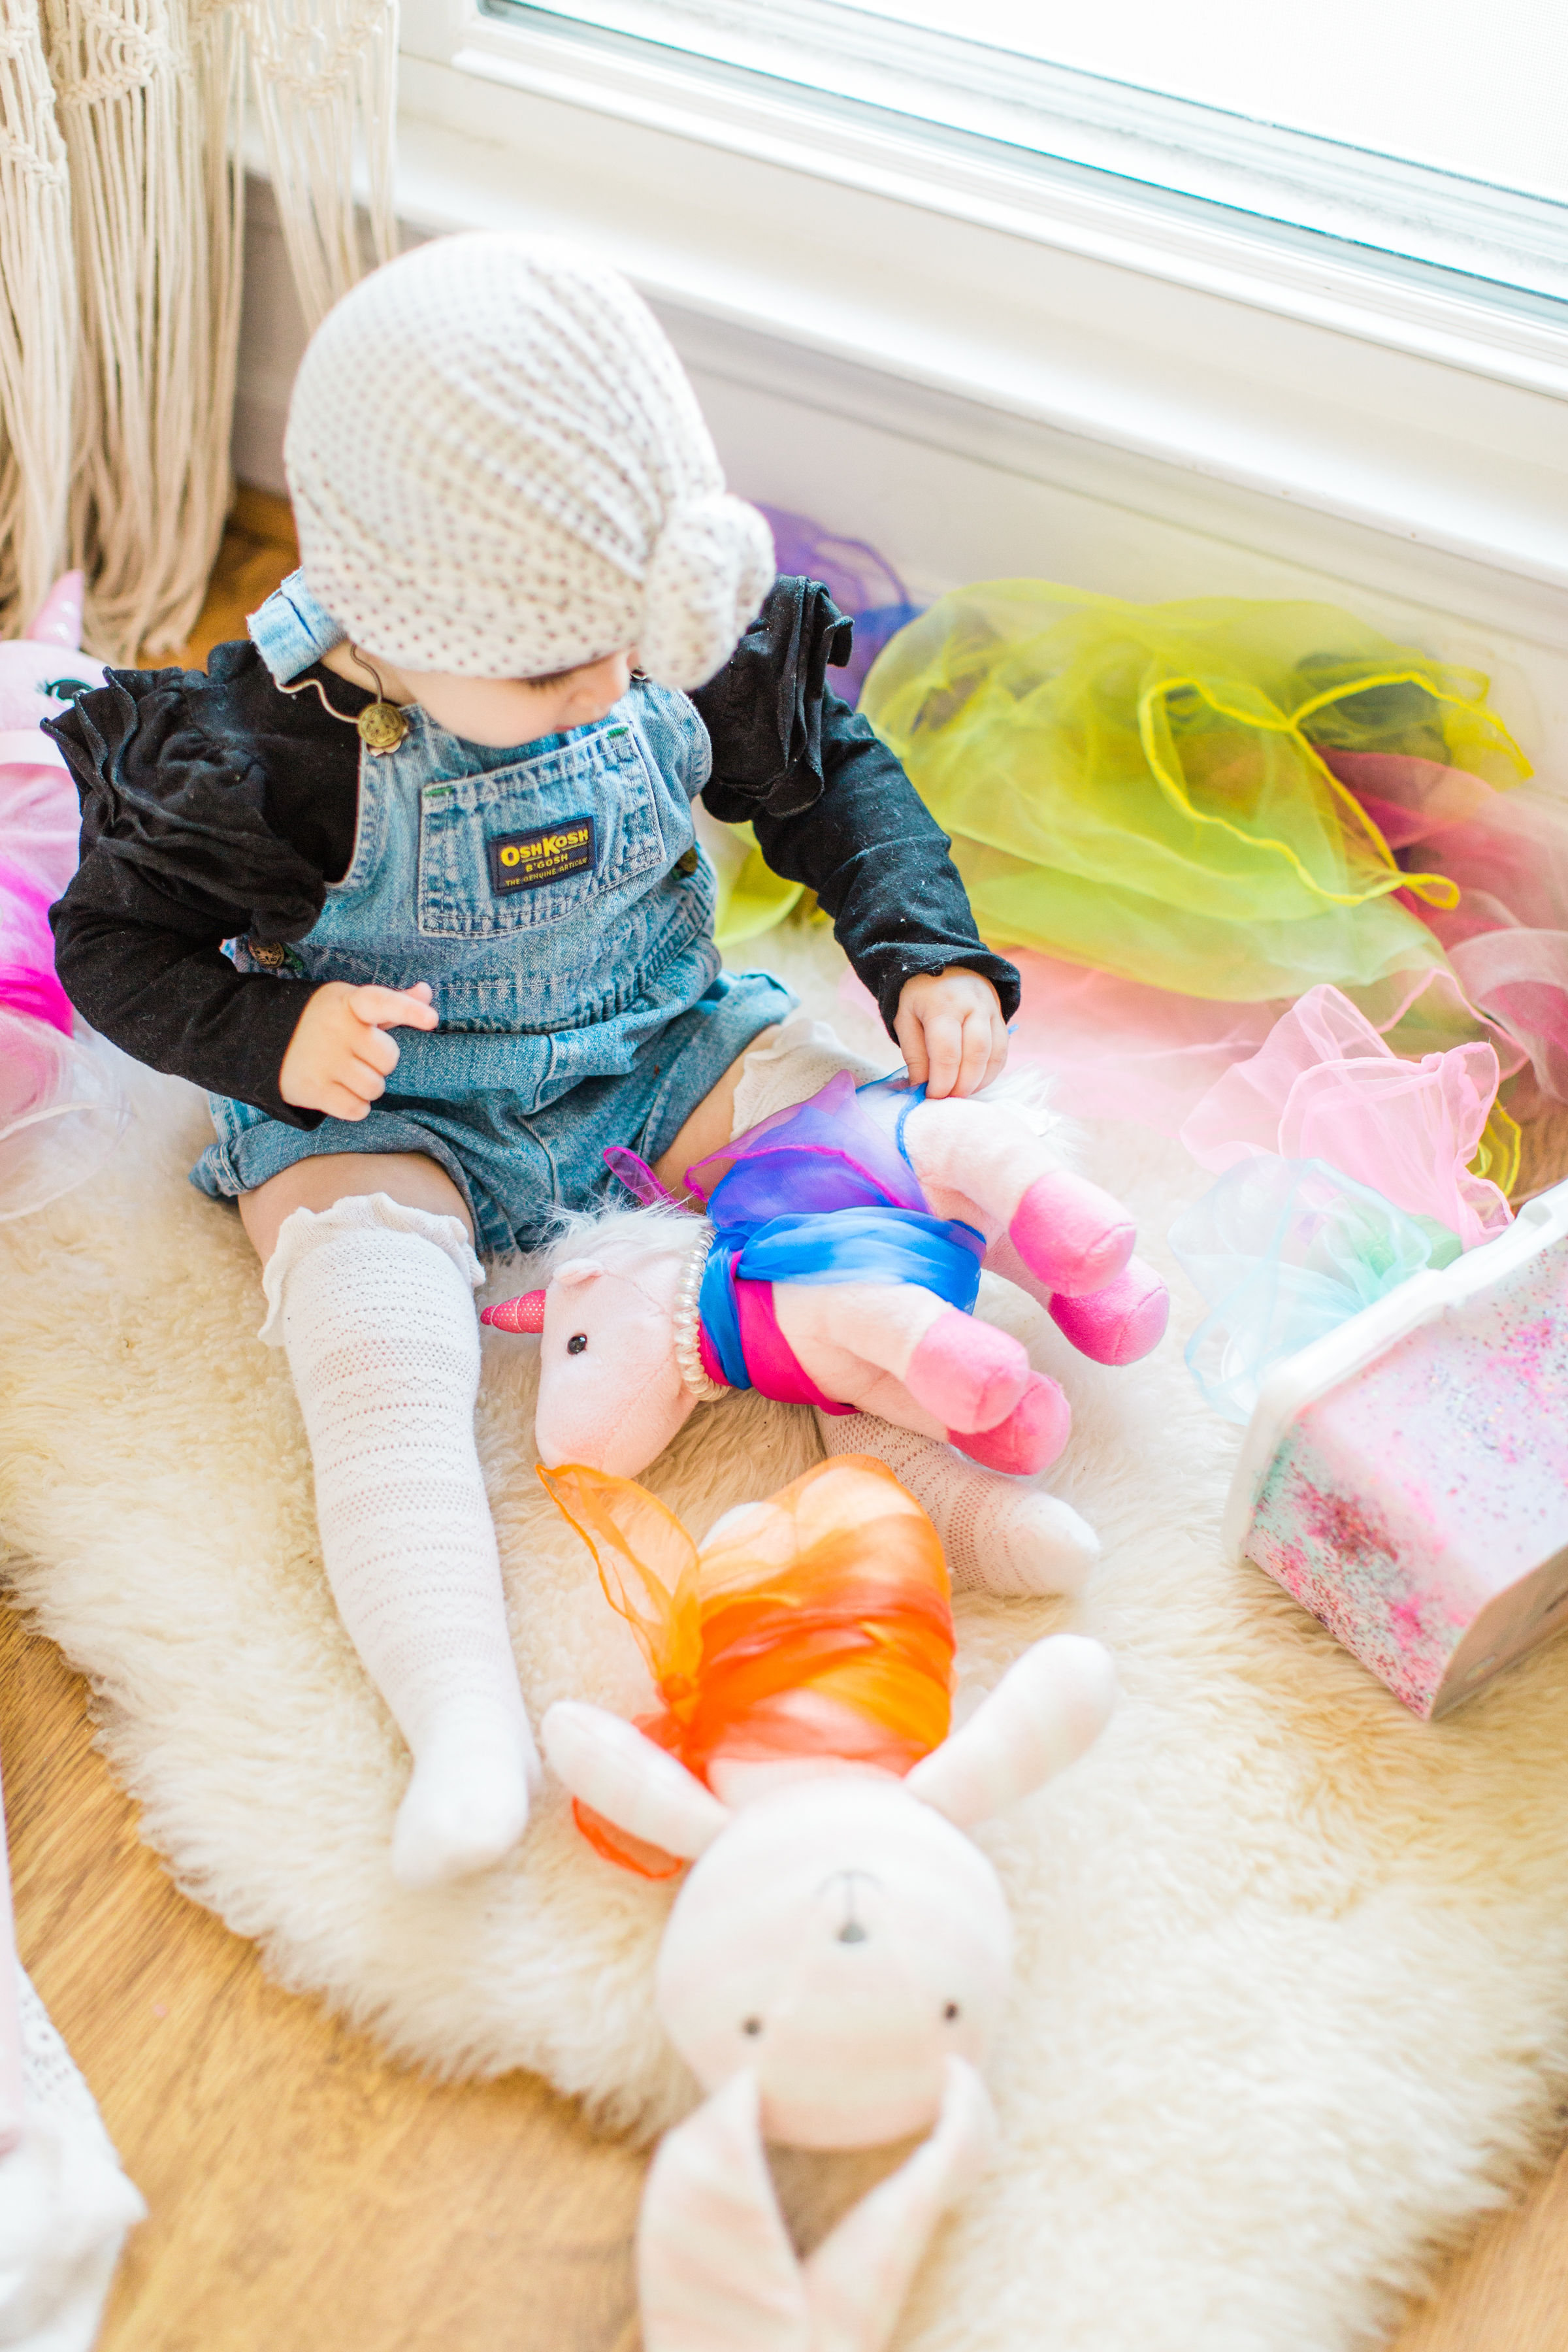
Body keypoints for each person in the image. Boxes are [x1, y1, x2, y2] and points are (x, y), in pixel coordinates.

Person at [47, 234, 1019, 1891]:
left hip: (654, 1039)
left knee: (853, 1169)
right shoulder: (272, 754)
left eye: (625, 650)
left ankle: (932, 1491)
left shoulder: (640, 628)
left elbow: (829, 776)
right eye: (552, 669)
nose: (607, 685)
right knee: (367, 1330)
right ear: (384, 613)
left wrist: (923, 949)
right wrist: (279, 1035)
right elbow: (109, 948)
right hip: (397, 1108)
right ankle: (460, 1711)